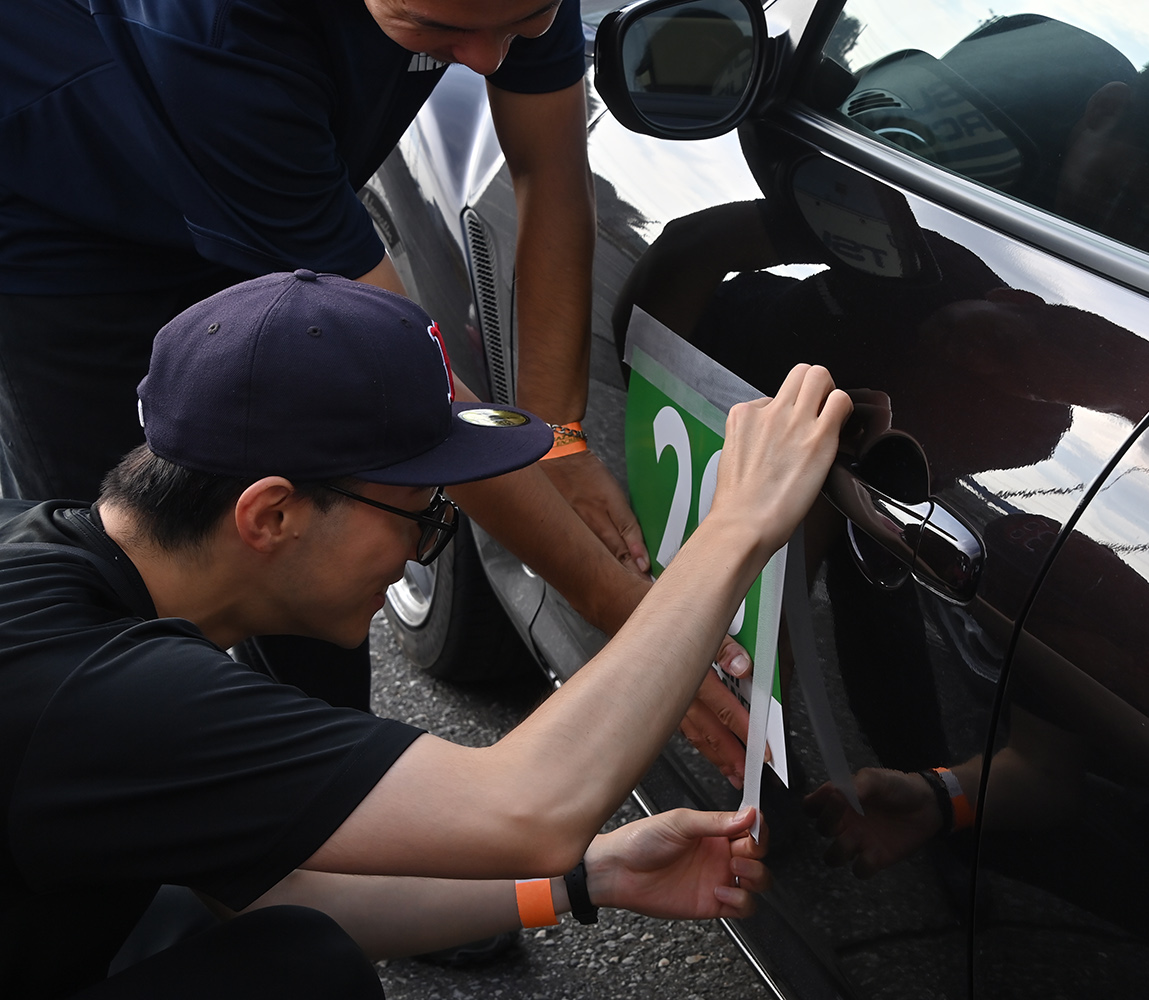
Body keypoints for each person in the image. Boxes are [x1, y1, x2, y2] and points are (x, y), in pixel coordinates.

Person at [0, 269, 852, 998]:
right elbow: (528, 805)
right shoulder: (96, 690)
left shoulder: (70, 565)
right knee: (294, 976)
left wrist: (585, 880)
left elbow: (263, 887)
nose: (424, 546)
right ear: (272, 513)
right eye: (417, 513)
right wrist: (737, 526)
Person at [0, 0, 751, 781]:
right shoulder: (215, 32)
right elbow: (415, 399)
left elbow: (549, 172)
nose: (490, 59)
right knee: (119, 604)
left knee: (319, 579)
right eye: (435, 30)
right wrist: (640, 628)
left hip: (266, 173)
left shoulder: (492, 2)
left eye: (525, 20)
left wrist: (558, 441)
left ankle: (313, 817)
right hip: (75, 241)